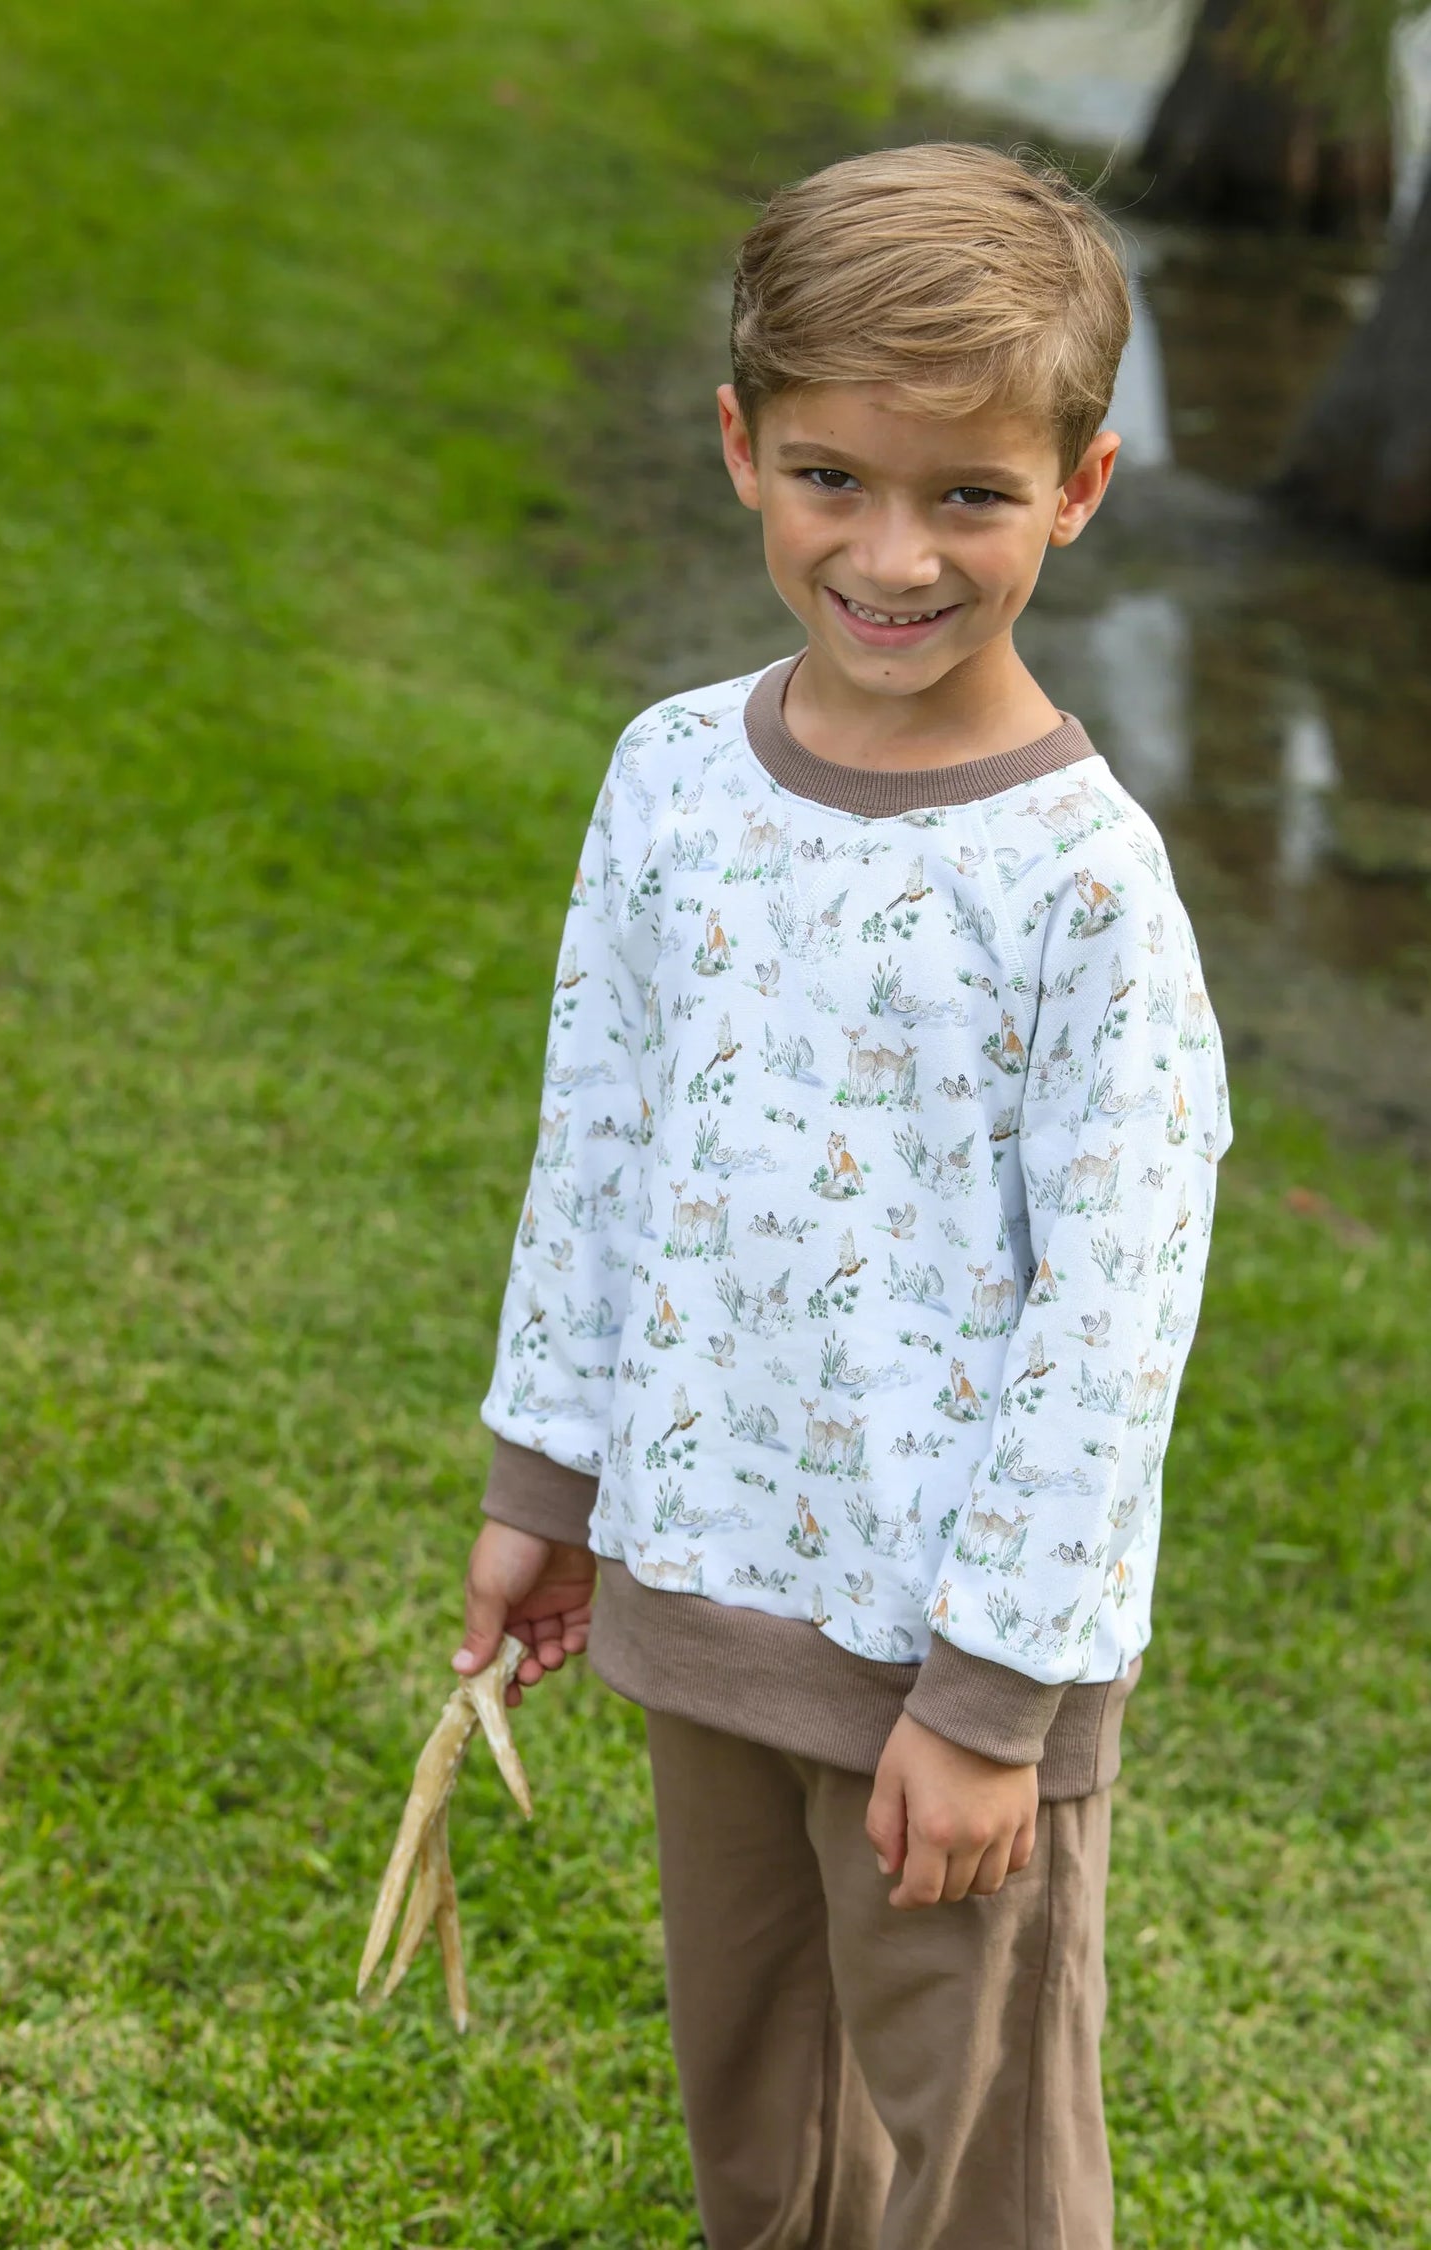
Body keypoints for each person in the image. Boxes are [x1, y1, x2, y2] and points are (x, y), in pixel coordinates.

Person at [454, 140, 1232, 2249]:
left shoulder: (1085, 887)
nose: (893, 555)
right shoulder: (671, 778)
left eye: (970, 494)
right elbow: (603, 1138)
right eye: (831, 479)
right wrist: (552, 1481)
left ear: (1078, 490)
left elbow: (1115, 1314)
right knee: (761, 2128)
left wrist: (988, 1706)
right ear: (741, 449)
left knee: (977, 2170)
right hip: (700, 1585)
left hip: (954, 1668)